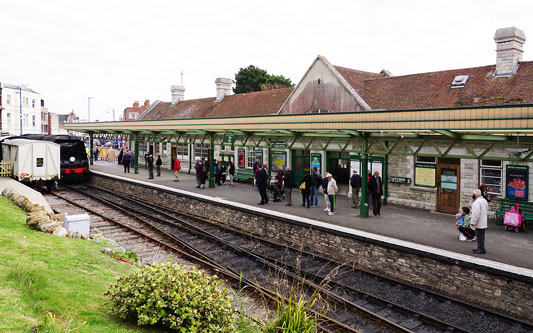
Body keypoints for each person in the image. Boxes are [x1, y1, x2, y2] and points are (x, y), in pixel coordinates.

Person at [470, 189, 489, 254]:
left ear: (475, 195)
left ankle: (481, 248)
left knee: (479, 236)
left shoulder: (476, 202)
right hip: (483, 220)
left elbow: (475, 214)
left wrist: (473, 222)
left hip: (479, 221)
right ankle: (481, 248)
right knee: (481, 236)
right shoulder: (484, 200)